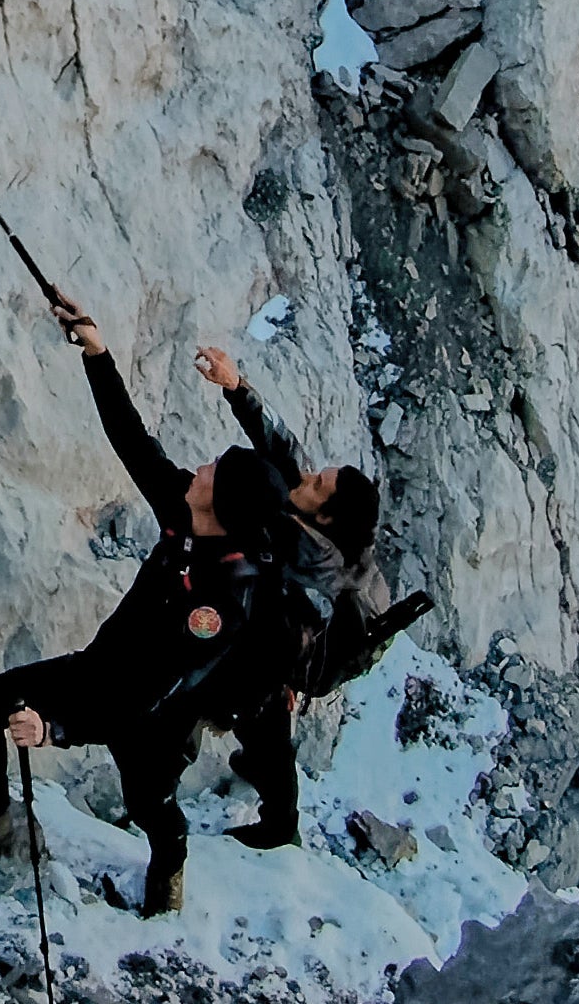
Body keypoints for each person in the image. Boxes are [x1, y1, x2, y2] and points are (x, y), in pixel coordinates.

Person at [0, 289, 301, 917]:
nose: (196, 468)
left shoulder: (222, 604)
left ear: (221, 508)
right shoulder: (190, 511)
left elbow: (144, 694)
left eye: (210, 471)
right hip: (101, 671)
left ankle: (170, 861)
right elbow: (132, 440)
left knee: (150, 805)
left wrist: (56, 729)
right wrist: (99, 353)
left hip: (155, 718)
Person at [194, 340, 383, 850]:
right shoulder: (319, 516)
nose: (308, 477)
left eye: (319, 485)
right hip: (280, 627)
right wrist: (236, 386)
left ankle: (280, 825)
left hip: (287, 647)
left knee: (264, 719)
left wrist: (287, 677)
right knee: (261, 729)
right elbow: (286, 453)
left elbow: (295, 626)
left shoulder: (315, 556)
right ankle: (268, 789)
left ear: (324, 515)